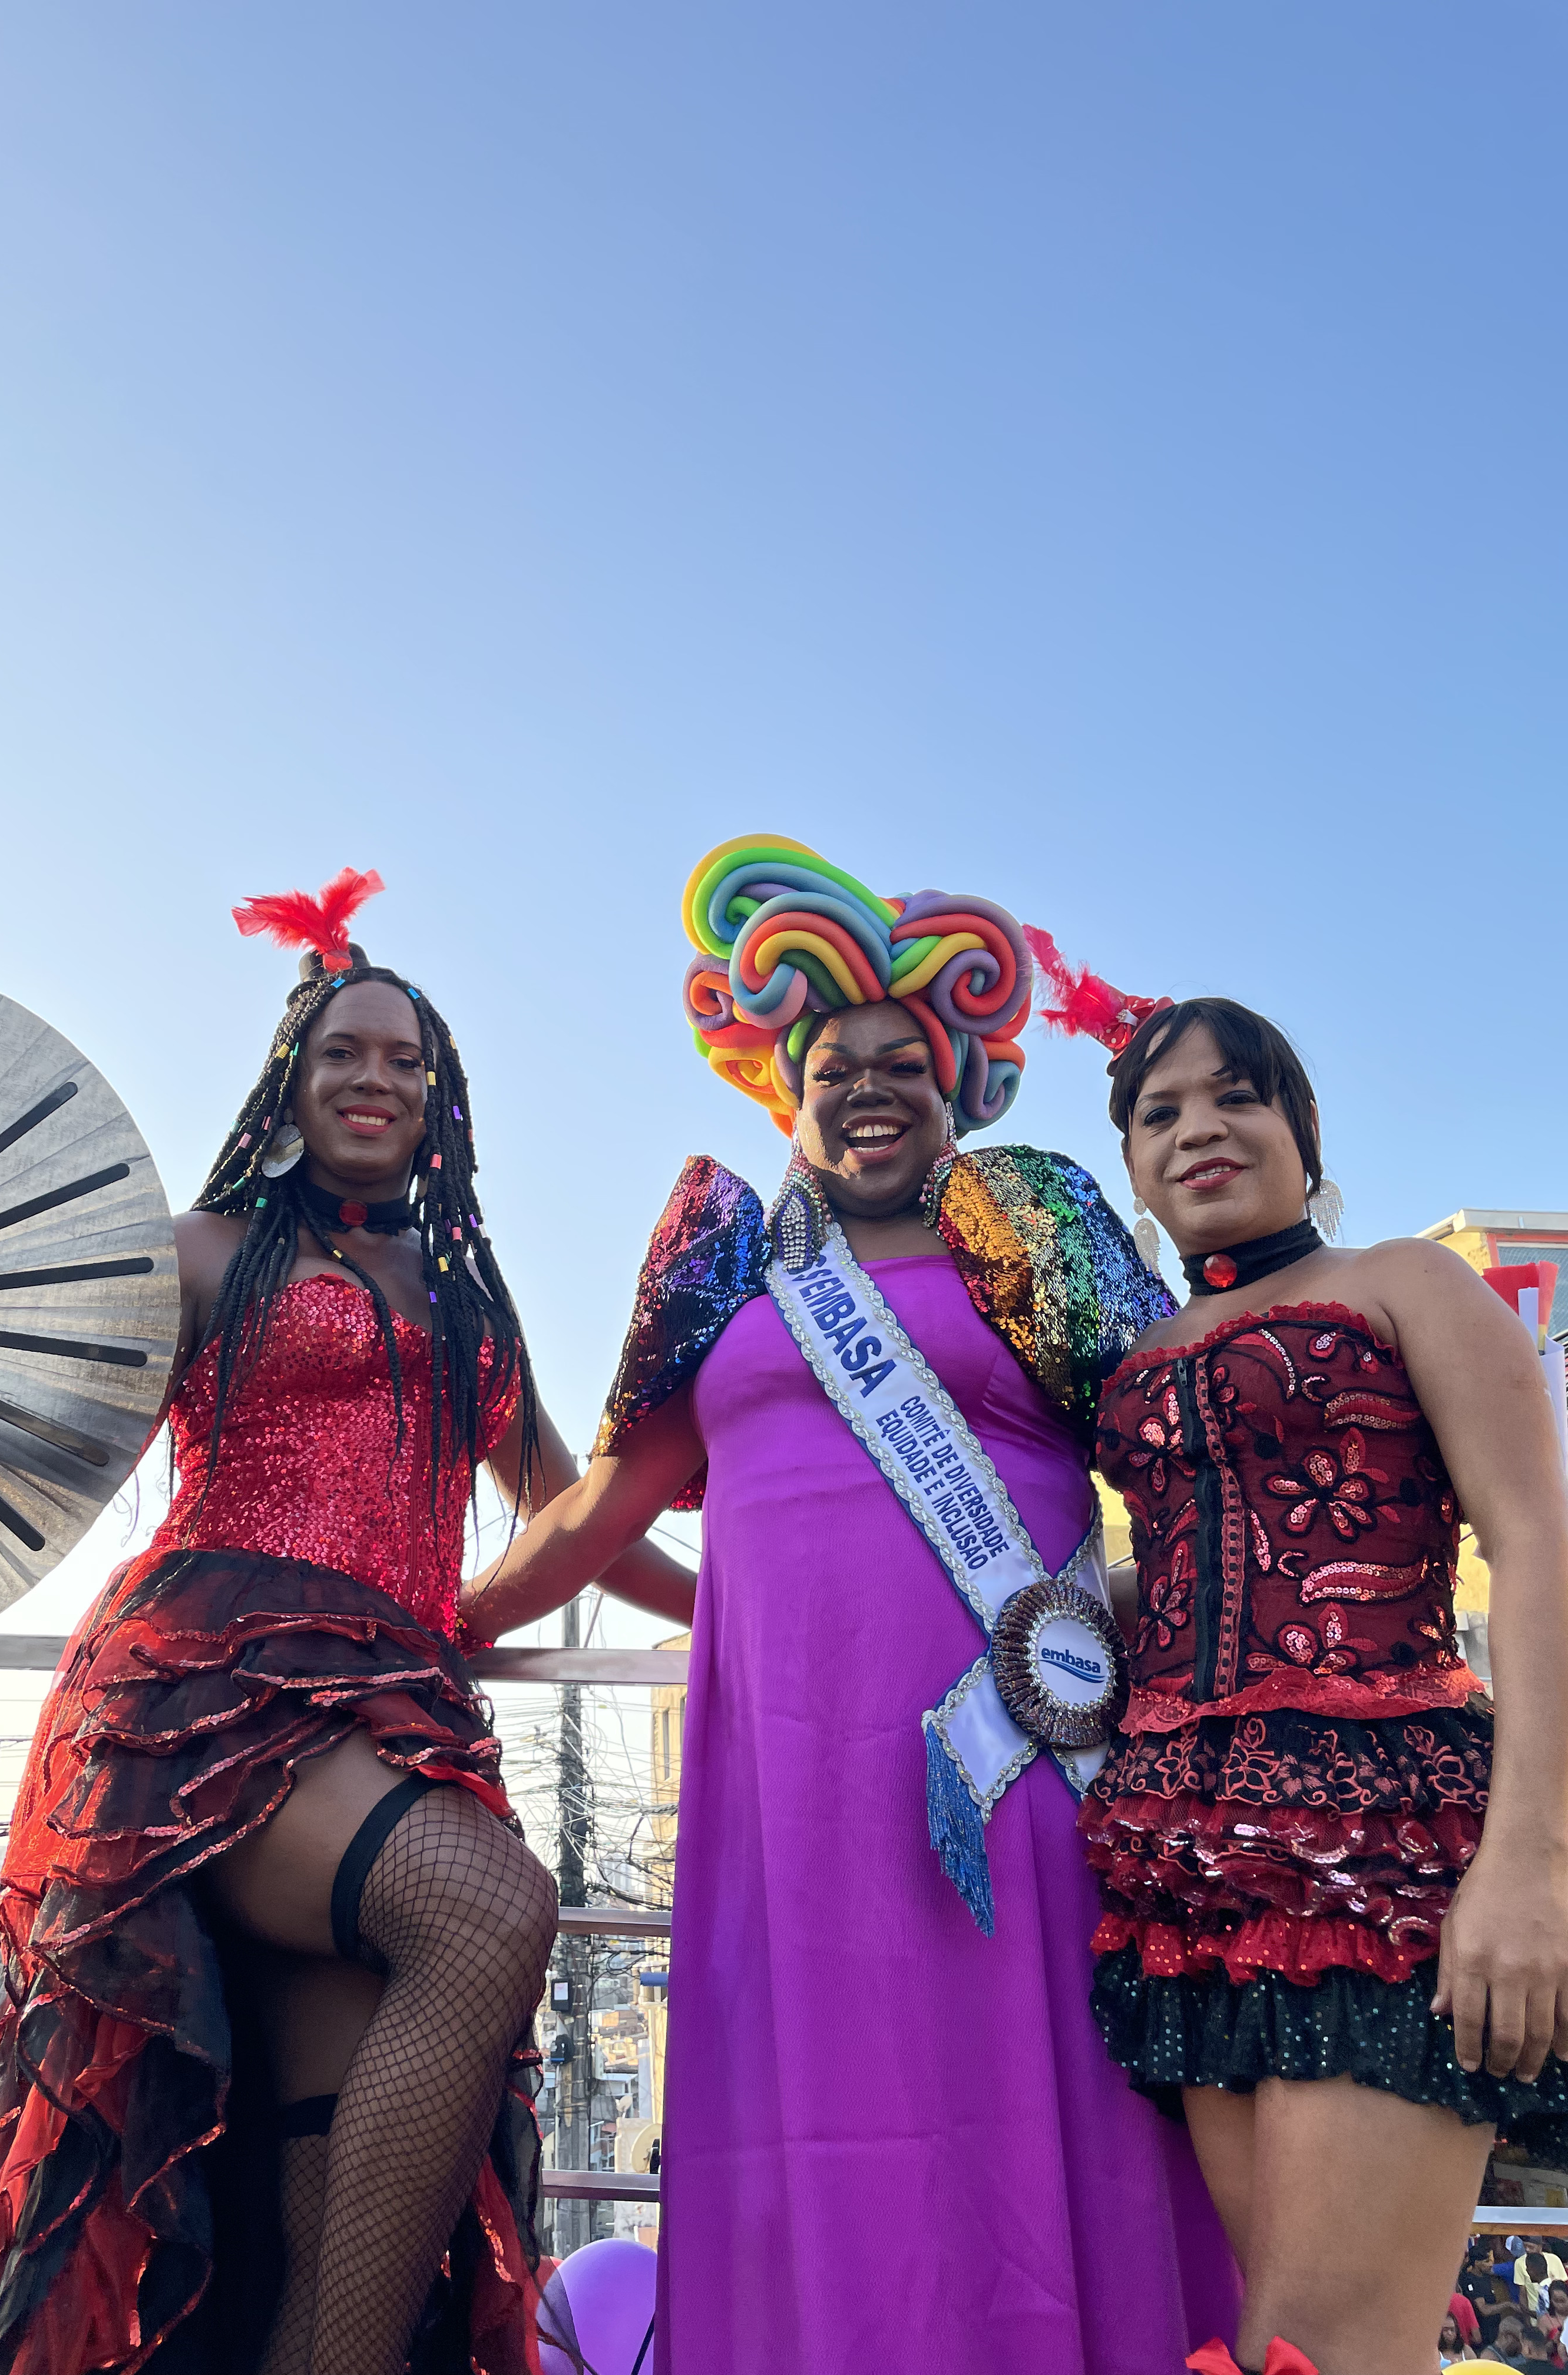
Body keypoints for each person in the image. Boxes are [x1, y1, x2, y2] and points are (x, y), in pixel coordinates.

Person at [0, 871, 690, 2375]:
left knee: (329, 2145)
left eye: (408, 1061)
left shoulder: (474, 1301)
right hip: (197, 1702)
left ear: (441, 1101)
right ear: (292, 1077)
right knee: (490, 1911)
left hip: (392, 1711)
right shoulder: (206, 1250)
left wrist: (753, 1605)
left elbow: (576, 1515)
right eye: (347, 1051)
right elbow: (37, 1424)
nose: (377, 1079)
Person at [462, 837, 1239, 2373]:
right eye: (838, 1065)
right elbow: (592, 1509)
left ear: (958, 1091)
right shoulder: (730, 1267)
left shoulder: (1027, 1226)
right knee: (823, 2121)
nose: (874, 1086)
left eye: (910, 1063)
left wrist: (1114, 1626)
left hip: (1015, 1764)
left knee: (1035, 2097)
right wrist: (437, 1617)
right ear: (786, 1087)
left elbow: (1201, 1463)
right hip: (787, 1790)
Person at [1029, 949, 1568, 2375]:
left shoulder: (1408, 1286)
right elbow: (1192, 1574)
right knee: (1273, 2327)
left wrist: (1533, 1864)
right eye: (1159, 1112)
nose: (1199, 1128)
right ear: (1132, 1169)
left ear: (1304, 1134)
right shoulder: (1134, 1361)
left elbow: (1538, 1551)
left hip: (1389, 1856)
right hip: (1184, 1872)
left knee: (1316, 2349)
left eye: (1237, 1097)